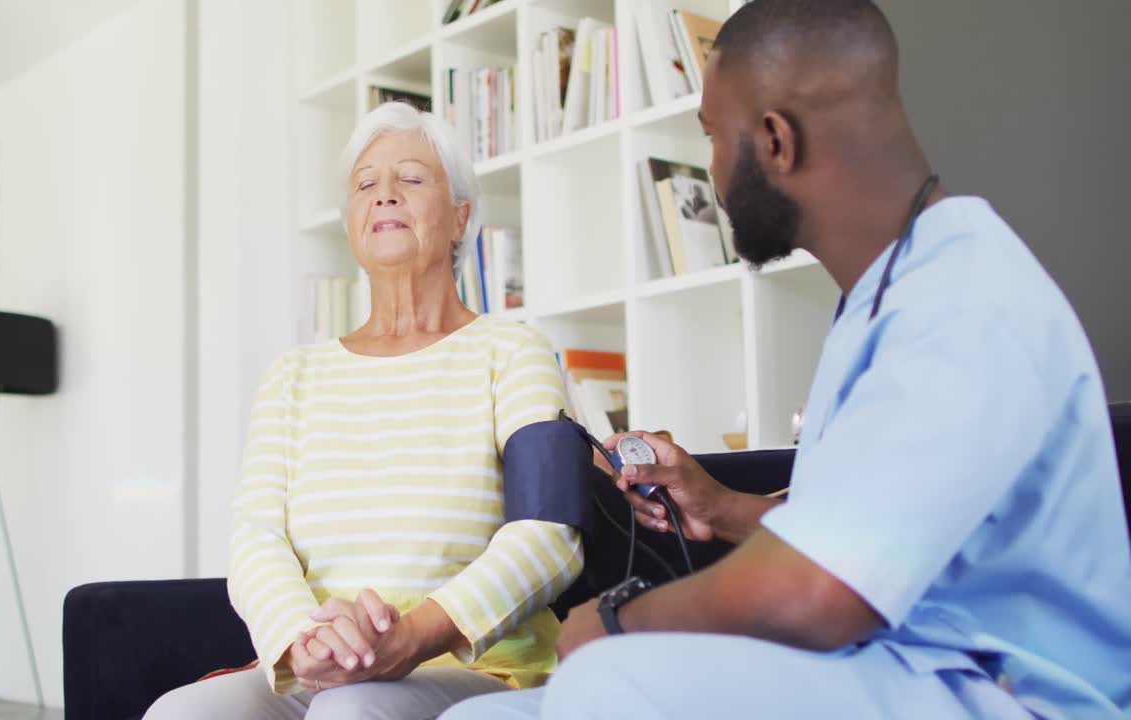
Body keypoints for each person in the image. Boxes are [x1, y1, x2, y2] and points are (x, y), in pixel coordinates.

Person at [442, 1, 1131, 718]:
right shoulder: (885, 296)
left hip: (1006, 695)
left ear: (775, 140)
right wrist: (722, 507)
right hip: (899, 669)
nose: (710, 169)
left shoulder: (965, 301)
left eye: (712, 137)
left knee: (608, 680)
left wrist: (619, 619)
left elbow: (821, 591)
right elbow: (863, 536)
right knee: (480, 716)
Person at [145, 102, 583, 719]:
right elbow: (255, 538)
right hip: (320, 670)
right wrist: (305, 641)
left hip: (469, 667)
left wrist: (412, 636)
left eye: (410, 178)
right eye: (365, 184)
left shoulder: (513, 351)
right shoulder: (292, 376)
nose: (384, 196)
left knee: (352, 713)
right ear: (351, 222)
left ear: (460, 217)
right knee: (179, 714)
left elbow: (550, 534)